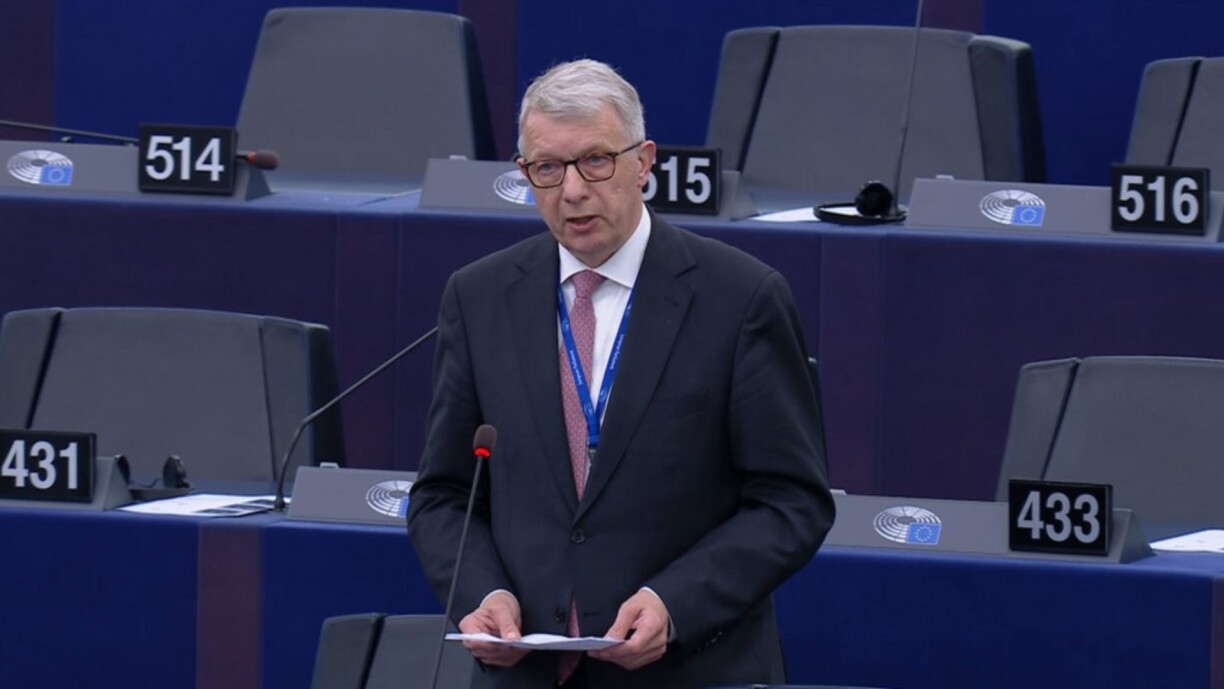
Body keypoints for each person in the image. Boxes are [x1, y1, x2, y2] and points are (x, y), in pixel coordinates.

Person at [407, 58, 835, 689]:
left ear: (644, 162)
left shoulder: (739, 298)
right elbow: (443, 496)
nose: (573, 190)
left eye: (596, 161)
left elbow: (792, 502)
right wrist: (484, 592)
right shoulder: (479, 297)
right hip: (529, 674)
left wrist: (675, 602)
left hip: (689, 669)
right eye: (547, 169)